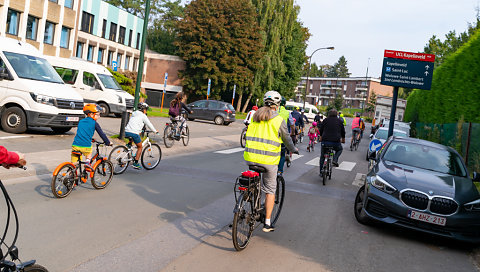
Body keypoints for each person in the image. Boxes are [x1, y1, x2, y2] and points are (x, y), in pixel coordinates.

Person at [244, 90, 298, 232]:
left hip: (250, 158)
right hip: (268, 161)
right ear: (278, 105)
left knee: (253, 180)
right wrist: (293, 149)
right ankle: (267, 222)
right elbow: (287, 139)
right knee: (269, 190)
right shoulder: (278, 119)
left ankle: (247, 200)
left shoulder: (255, 116)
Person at [125, 102, 158, 169]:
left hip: (126, 131)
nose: (146, 111)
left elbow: (135, 124)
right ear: (143, 109)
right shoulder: (143, 116)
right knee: (140, 147)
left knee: (134, 135)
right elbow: (149, 124)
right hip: (134, 133)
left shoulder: (134, 113)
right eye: (146, 109)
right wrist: (155, 131)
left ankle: (129, 145)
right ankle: (136, 163)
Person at [319, 109, 345, 174]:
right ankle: (335, 160)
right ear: (337, 114)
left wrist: (321, 137)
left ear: (329, 114)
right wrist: (343, 139)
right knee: (340, 149)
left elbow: (321, 130)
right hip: (336, 142)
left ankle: (321, 172)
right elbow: (343, 132)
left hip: (325, 141)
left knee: (322, 156)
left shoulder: (325, 120)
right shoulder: (339, 121)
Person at [277, 97, 295, 175]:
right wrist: (293, 133)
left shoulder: (273, 111)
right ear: (285, 104)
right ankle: (280, 171)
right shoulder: (287, 113)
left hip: (272, 135)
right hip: (283, 136)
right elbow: (292, 125)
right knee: (282, 154)